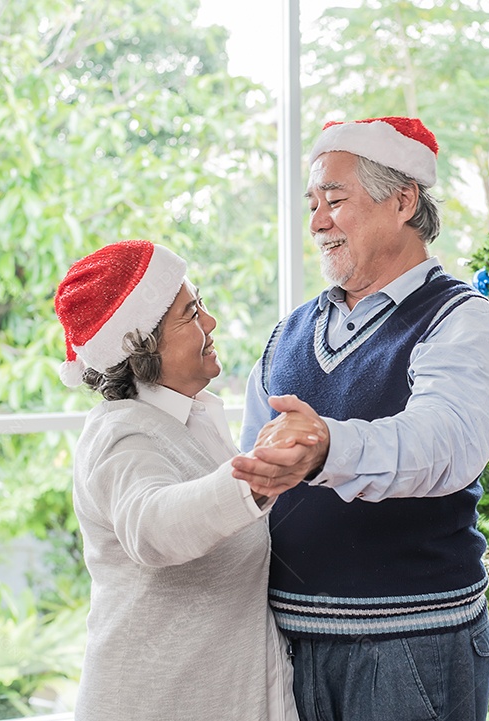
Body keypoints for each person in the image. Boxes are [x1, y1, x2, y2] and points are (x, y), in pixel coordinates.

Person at [239, 117, 489, 721]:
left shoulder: (462, 321)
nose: (317, 221)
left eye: (335, 201)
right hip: (283, 643)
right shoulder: (288, 333)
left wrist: (326, 448)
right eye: (313, 204)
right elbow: (248, 480)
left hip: (411, 645)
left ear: (403, 199)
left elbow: (443, 442)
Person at [54, 239, 313, 721]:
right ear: (142, 344)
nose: (210, 323)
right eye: (191, 314)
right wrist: (254, 480)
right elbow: (152, 527)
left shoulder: (193, 421)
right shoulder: (121, 435)